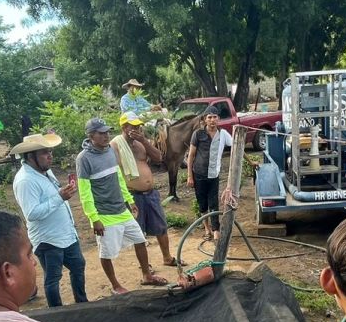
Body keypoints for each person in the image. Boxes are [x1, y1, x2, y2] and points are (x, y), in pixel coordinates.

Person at [77, 117, 167, 294]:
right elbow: (84, 192)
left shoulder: (109, 150)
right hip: (104, 214)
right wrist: (94, 218)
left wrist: (129, 200)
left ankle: (147, 275)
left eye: (107, 132)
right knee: (106, 252)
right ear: (90, 135)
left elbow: (118, 176)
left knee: (140, 240)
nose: (106, 136)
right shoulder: (84, 159)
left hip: (121, 209)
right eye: (101, 133)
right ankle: (115, 285)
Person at [12, 133, 89, 307]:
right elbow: (32, 213)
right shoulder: (26, 180)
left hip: (66, 234)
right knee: (53, 278)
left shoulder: (44, 171)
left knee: (78, 266)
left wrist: (62, 193)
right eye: (44, 153)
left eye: (50, 152)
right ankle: (56, 312)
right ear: (31, 157)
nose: (50, 156)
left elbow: (52, 197)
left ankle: (82, 304)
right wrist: (59, 197)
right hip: (48, 239)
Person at [112, 112, 179, 266]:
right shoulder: (115, 144)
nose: (137, 128)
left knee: (161, 226)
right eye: (133, 126)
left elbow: (158, 157)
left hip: (151, 193)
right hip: (133, 195)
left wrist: (144, 141)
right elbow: (115, 171)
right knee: (138, 232)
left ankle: (167, 258)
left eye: (138, 126)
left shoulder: (141, 142)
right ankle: (145, 267)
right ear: (124, 127)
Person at [185, 106, 233, 240]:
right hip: (198, 174)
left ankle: (216, 229)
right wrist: (190, 176)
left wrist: (250, 161)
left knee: (213, 203)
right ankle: (207, 228)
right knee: (202, 203)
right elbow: (191, 156)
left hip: (214, 175)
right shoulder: (198, 134)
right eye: (209, 117)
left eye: (215, 117)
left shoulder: (223, 134)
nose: (212, 120)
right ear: (205, 120)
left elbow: (237, 146)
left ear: (219, 119)